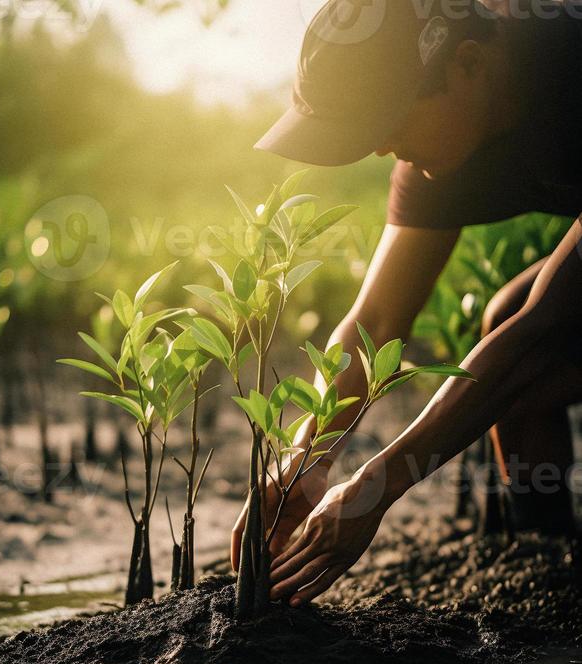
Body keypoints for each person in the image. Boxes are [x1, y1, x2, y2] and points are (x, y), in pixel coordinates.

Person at [230, 0, 582, 606]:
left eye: (388, 123)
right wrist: (298, 464)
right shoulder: (442, 141)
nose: (380, 149)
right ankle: (559, 578)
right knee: (505, 328)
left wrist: (376, 485)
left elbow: (545, 332)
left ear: (467, 66)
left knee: (522, 337)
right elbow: (377, 321)